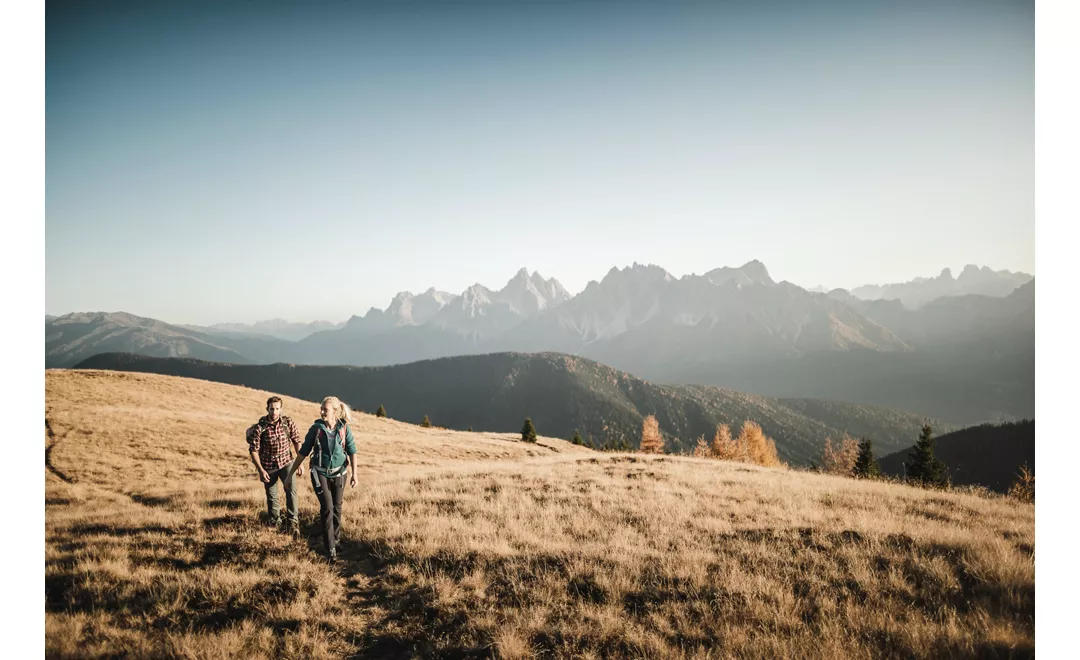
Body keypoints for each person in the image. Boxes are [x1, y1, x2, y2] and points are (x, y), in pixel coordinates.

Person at [288, 396, 357, 561]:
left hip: (340, 473)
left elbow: (352, 451)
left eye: (325, 409)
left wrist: (355, 474)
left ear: (334, 412)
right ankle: (330, 549)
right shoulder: (316, 429)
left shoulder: (344, 428)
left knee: (337, 508)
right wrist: (290, 474)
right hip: (320, 473)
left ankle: (336, 538)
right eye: (321, 409)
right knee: (327, 508)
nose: (321, 412)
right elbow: (303, 452)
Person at [246, 396, 303, 535]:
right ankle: (275, 524)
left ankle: (293, 524)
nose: (274, 412)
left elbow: (297, 441)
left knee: (292, 492)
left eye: (277, 409)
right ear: (267, 409)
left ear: (281, 409)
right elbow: (253, 450)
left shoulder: (287, 423)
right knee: (272, 496)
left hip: (287, 463)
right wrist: (260, 470)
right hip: (269, 466)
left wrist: (299, 463)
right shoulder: (260, 428)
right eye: (272, 409)